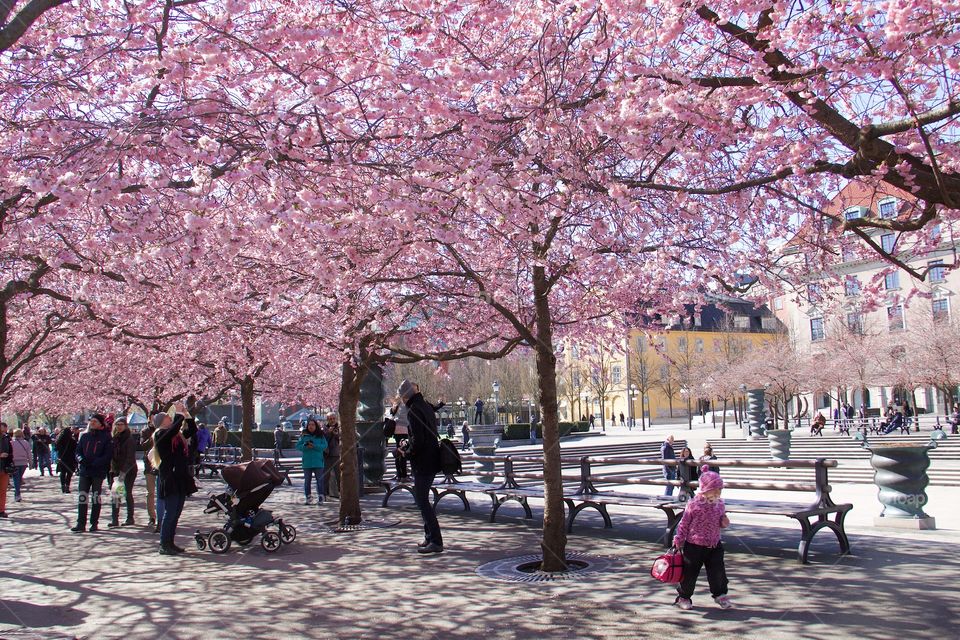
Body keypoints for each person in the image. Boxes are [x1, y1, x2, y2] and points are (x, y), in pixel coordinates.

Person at [672, 466, 732, 611]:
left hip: (714, 544)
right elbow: (684, 523)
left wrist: (724, 522)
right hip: (694, 545)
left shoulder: (720, 504)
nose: (718, 493)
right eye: (715, 490)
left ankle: (720, 594)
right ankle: (684, 597)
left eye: (720, 490)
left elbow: (721, 520)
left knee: (718, 571)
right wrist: (679, 539)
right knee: (690, 574)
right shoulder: (694, 504)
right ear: (705, 490)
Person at [398, 379, 443, 554]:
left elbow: (418, 440)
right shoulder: (425, 406)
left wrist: (406, 452)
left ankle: (436, 540)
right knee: (421, 499)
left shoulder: (414, 410)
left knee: (422, 501)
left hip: (423, 462)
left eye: (401, 396)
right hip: (432, 459)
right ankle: (429, 536)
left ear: (406, 395)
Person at [154, 404, 197, 554]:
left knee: (176, 512)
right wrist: (179, 414)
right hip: (170, 477)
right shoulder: (160, 434)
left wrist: (187, 414)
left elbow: (192, 430)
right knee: (170, 511)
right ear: (161, 421)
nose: (170, 418)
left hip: (180, 476)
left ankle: (170, 542)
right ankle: (164, 543)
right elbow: (173, 430)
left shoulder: (176, 436)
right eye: (167, 417)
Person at [71, 414, 114, 533]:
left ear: (101, 424)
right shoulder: (85, 436)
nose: (92, 423)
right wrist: (81, 460)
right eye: (91, 421)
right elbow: (78, 451)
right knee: (82, 496)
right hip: (85, 470)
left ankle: (94, 522)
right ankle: (81, 523)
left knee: (96, 497)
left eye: (95, 421)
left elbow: (108, 454)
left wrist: (96, 463)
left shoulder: (106, 437)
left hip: (97, 471)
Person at [108, 417, 137, 527]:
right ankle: (115, 519)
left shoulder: (129, 439)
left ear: (125, 425)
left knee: (127, 493)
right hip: (117, 470)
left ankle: (130, 518)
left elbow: (130, 458)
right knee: (116, 495)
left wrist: (123, 472)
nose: (119, 426)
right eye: (117, 424)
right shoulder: (115, 438)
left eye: (121, 424)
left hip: (128, 470)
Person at [296, 419, 328, 504]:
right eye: (309, 425)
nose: (311, 426)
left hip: (318, 462)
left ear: (316, 426)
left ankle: (321, 499)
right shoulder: (303, 435)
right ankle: (308, 498)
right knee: (307, 482)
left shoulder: (320, 435)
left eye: (313, 424)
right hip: (307, 462)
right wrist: (305, 446)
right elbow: (298, 446)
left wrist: (314, 446)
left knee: (320, 481)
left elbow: (324, 446)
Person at [140, 423, 158, 529]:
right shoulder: (145, 431)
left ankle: (162, 516)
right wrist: (153, 436)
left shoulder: (165, 429)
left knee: (162, 493)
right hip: (149, 465)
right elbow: (143, 445)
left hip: (162, 465)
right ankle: (152, 517)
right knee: (150, 492)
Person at [388, 398, 410, 481]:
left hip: (396, 431)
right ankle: (403, 475)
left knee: (398, 452)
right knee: (402, 452)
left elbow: (392, 414)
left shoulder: (396, 405)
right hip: (403, 431)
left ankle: (399, 474)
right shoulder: (404, 405)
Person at [322, 413, 341, 498]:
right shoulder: (324, 429)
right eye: (330, 419)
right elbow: (323, 441)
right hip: (327, 455)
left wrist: (337, 434)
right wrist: (329, 433)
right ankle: (324, 494)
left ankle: (341, 492)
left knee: (339, 476)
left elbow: (341, 439)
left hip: (337, 455)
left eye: (333, 418)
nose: (332, 420)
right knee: (325, 476)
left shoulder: (340, 428)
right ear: (327, 420)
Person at [10, 429, 31, 503]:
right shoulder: (26, 443)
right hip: (23, 463)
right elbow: (29, 454)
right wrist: (31, 463)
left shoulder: (11, 443)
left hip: (14, 463)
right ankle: (17, 494)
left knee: (16, 479)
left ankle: (17, 494)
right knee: (18, 479)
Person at [55, 426, 78, 493]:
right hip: (70, 459)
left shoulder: (59, 440)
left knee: (62, 473)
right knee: (69, 473)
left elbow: (55, 449)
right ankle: (67, 486)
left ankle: (63, 486)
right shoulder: (72, 441)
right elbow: (75, 449)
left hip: (62, 458)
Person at [0, 422, 11, 517]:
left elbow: (10, 452)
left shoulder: (6, 438)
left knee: (3, 490)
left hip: (4, 468)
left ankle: (1, 510)